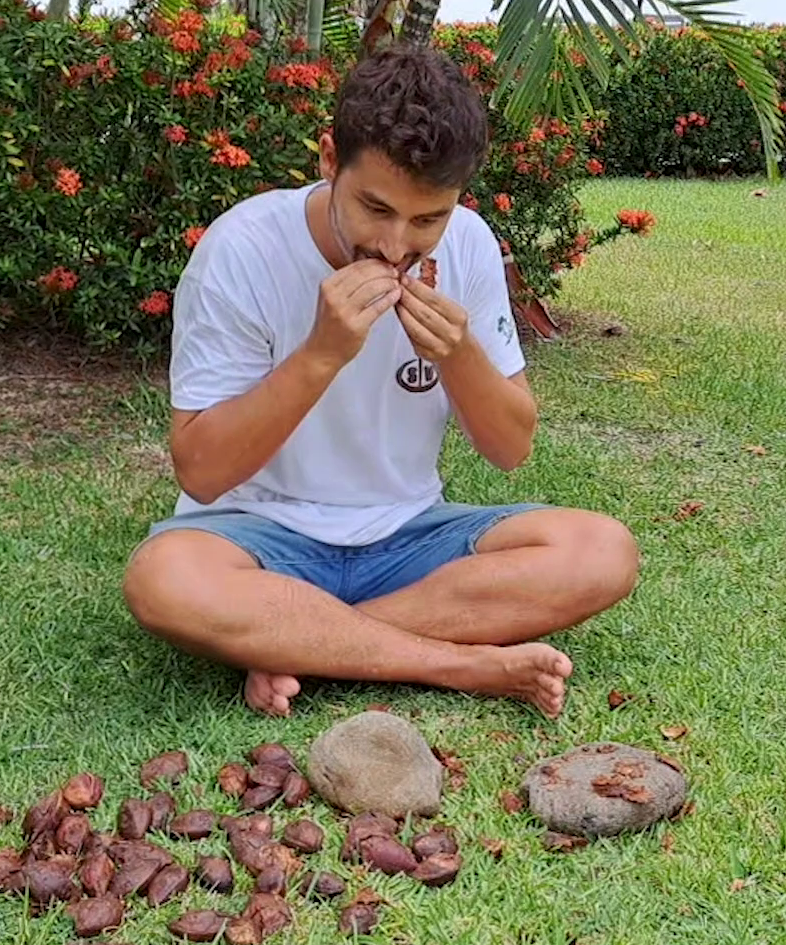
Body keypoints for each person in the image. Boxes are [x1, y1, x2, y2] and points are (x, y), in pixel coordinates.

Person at [121, 43, 639, 718]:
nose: (397, 245)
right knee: (164, 579)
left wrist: (459, 354)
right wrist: (320, 355)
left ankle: (302, 639)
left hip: (408, 534)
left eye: (428, 219)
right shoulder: (241, 250)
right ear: (330, 160)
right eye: (376, 208)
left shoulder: (472, 246)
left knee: (602, 551)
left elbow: (511, 447)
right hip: (254, 533)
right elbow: (202, 471)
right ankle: (453, 664)